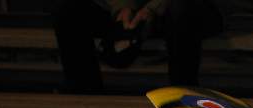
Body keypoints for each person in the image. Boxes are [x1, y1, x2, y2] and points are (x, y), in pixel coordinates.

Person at [52, 0, 224, 93]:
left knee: (182, 11)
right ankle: (86, 103)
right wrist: (123, 8)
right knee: (69, 10)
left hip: (185, 8)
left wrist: (152, 9)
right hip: (135, 10)